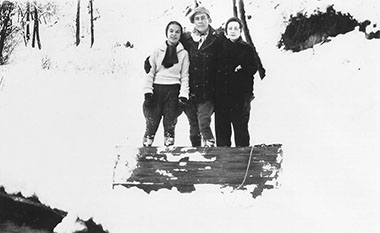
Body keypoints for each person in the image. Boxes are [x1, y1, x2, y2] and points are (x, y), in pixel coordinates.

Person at [142, 21, 189, 147]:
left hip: (173, 90)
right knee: (152, 122)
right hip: (157, 90)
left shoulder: (184, 54)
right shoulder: (157, 51)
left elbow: (185, 76)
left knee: (170, 123)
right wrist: (147, 92)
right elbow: (149, 73)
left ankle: (169, 152)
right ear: (166, 32)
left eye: (177, 32)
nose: (174, 34)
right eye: (171, 31)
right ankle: (146, 150)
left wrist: (183, 95)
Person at [179, 6, 221, 147]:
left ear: (208, 19)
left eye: (203, 18)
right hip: (191, 92)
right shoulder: (187, 39)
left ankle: (211, 151)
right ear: (193, 22)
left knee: (204, 122)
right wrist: (151, 61)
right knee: (193, 128)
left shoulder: (217, 38)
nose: (200, 21)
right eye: (197, 19)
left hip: (208, 91)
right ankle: (196, 156)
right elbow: (171, 48)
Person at [214, 17, 259, 147]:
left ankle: (243, 163)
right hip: (222, 98)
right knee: (222, 133)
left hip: (240, 98)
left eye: (236, 28)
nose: (233, 31)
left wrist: (242, 68)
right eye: (230, 28)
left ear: (240, 30)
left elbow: (253, 68)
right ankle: (224, 163)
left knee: (241, 131)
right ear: (226, 31)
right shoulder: (220, 47)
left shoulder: (246, 48)